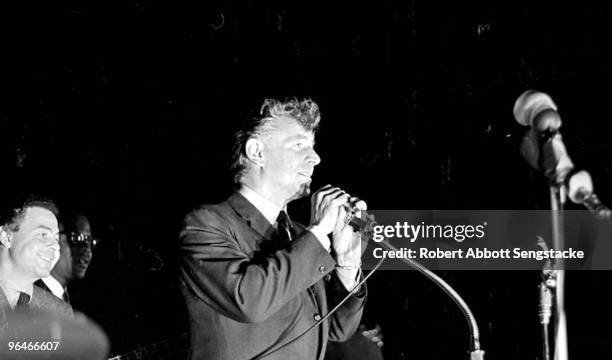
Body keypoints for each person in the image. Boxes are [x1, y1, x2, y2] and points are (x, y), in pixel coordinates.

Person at [179, 98, 367, 360]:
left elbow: (336, 328)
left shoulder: (300, 235)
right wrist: (319, 231)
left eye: (312, 146)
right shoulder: (206, 223)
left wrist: (347, 263)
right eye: (299, 145)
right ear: (257, 152)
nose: (315, 157)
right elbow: (249, 301)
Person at [0, 196, 73, 336]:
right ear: (6, 236)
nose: (55, 246)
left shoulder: (59, 313)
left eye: (56, 238)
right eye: (43, 234)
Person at [35, 214, 96, 304]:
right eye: (76, 238)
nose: (87, 250)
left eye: (89, 241)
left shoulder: (66, 298)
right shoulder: (28, 299)